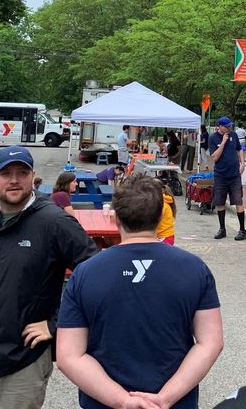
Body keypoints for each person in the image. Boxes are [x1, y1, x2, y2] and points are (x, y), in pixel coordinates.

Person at [0, 145, 97, 408]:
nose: (14, 180)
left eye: (22, 173)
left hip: (21, 361)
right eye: (6, 173)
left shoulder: (54, 222)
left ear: (33, 175)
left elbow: (95, 277)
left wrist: (56, 324)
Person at [56, 174, 223, 409]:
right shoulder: (194, 269)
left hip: (103, 403)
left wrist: (123, 400)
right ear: (161, 216)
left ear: (115, 217)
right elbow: (210, 343)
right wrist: (165, 398)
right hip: (175, 403)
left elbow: (69, 356)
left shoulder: (85, 273)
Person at [208, 116, 246, 241]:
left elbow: (239, 149)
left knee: (238, 200)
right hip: (221, 175)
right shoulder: (213, 138)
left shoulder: (234, 135)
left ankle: (242, 230)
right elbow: (215, 157)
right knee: (220, 202)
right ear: (219, 126)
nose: (229, 128)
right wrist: (223, 142)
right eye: (226, 126)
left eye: (230, 126)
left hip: (234, 175)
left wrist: (243, 163)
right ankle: (222, 228)